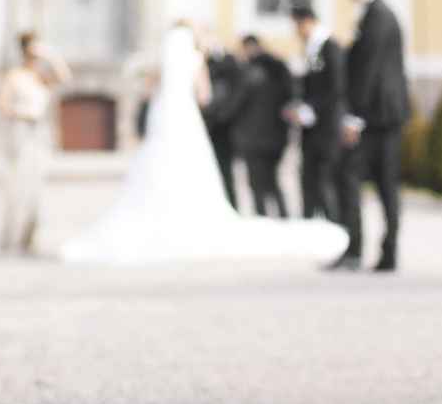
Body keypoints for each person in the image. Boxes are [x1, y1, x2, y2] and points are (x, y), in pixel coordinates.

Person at [58, 23, 346, 265]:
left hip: (164, 122)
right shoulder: (196, 60)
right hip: (186, 121)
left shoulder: (159, 67)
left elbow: (149, 92)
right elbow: (204, 97)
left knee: (157, 169)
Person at [332, 0, 411, 273]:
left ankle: (370, 250)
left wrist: (354, 116)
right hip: (381, 115)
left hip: (378, 116)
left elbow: (369, 71)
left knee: (361, 180)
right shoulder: (373, 15)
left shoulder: (378, 16)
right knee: (381, 184)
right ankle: (373, 250)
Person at [0, 32, 71, 256]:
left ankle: (30, 237)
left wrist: (51, 54)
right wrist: (23, 113)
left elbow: (65, 78)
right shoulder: (15, 76)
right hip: (20, 131)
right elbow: (2, 105)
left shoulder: (41, 77)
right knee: (20, 186)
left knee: (37, 187)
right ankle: (13, 237)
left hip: (40, 133)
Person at [289, 6, 346, 224]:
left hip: (327, 129)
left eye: (297, 26)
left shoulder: (331, 48)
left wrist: (310, 109)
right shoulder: (310, 49)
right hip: (312, 132)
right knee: (309, 181)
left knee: (326, 183)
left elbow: (336, 88)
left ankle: (335, 229)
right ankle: (311, 226)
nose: (296, 32)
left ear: (307, 22)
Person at [232, 35, 293, 218]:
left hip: (254, 139)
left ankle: (263, 220)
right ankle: (284, 219)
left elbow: (236, 103)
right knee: (273, 182)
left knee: (257, 184)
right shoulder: (280, 67)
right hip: (277, 138)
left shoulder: (249, 71)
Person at [201, 35, 243, 204]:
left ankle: (230, 203)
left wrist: (225, 114)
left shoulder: (230, 63)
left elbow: (237, 92)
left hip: (224, 129)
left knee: (225, 171)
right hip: (208, 126)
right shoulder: (203, 62)